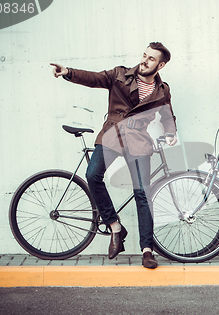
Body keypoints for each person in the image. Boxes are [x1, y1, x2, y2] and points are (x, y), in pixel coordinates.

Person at [51, 42, 177, 268]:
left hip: (138, 140)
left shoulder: (162, 90)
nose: (144, 61)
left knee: (142, 194)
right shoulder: (120, 74)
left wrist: (170, 133)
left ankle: (147, 250)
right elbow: (94, 78)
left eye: (150, 59)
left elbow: (168, 115)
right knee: (92, 175)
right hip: (112, 134)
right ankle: (115, 226)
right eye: (144, 55)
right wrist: (68, 73)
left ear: (161, 65)